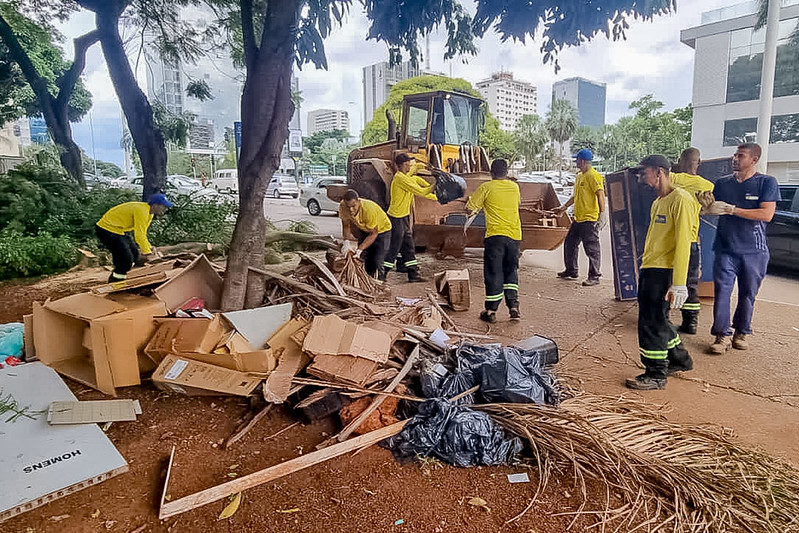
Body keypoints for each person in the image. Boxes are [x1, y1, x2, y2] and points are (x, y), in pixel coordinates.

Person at [626, 155, 697, 390]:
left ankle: (655, 373)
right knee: (657, 317)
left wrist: (679, 283)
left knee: (651, 322)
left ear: (659, 172)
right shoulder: (658, 201)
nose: (640, 177)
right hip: (651, 267)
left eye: (643, 172)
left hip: (663, 271)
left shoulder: (681, 200)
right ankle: (679, 359)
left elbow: (684, 243)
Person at [705, 143, 780, 355]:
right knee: (721, 292)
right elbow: (713, 210)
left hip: (753, 250)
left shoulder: (766, 182)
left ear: (754, 159)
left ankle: (742, 332)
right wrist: (706, 208)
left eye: (741, 155)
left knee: (748, 293)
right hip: (725, 247)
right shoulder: (722, 183)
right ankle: (722, 335)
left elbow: (766, 215)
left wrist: (733, 210)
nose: (735, 159)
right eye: (735, 155)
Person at [466, 159, 522, 323]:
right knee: (511, 271)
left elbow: (470, 208)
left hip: (495, 237)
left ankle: (491, 311)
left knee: (494, 272)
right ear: (507, 172)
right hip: (514, 237)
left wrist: (475, 205)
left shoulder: (486, 187)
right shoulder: (514, 187)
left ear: (491, 172)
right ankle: (514, 306)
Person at [670, 147, 714, 334]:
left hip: (668, 239)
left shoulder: (672, 179)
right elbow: (707, 210)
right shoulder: (707, 185)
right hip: (691, 239)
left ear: (680, 161)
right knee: (691, 283)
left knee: (664, 278)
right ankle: (691, 323)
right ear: (700, 163)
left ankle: (662, 319)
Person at [554, 148, 607, 286]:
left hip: (589, 219)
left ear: (582, 161)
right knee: (570, 244)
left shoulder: (593, 175)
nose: (575, 162)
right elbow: (575, 196)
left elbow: (600, 194)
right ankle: (571, 270)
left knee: (592, 248)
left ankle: (594, 276)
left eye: (576, 160)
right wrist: (564, 207)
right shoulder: (580, 176)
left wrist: (602, 214)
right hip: (578, 218)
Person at [95, 193, 173, 282]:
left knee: (135, 253)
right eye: (163, 206)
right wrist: (148, 253)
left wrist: (149, 247)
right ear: (155, 205)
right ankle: (115, 281)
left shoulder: (149, 213)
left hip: (118, 230)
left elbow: (143, 233)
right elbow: (139, 235)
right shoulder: (142, 211)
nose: (164, 209)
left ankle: (134, 276)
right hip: (106, 229)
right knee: (125, 259)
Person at [385, 152, 437, 282]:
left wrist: (426, 166)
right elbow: (421, 191)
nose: (408, 168)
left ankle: (413, 275)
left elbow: (416, 168)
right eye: (406, 165)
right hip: (396, 218)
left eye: (409, 165)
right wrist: (435, 186)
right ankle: (381, 275)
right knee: (394, 248)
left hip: (404, 218)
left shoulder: (406, 174)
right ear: (398, 166)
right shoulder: (400, 179)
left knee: (408, 246)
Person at [339, 189, 392, 280]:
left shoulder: (368, 209)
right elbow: (346, 225)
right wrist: (346, 242)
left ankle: (380, 284)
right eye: (348, 207)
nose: (351, 210)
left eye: (353, 206)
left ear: (358, 201)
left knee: (377, 261)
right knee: (363, 259)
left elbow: (373, 234)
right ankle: (367, 282)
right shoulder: (343, 206)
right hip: (365, 229)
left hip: (381, 231)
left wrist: (360, 249)